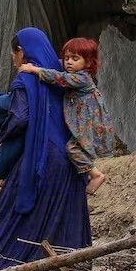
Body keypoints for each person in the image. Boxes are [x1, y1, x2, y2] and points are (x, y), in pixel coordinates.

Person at [0, 27, 92, 271]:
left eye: (14, 55)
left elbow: (22, 117)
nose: (14, 61)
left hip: (43, 155)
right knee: (63, 216)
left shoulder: (26, 78)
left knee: (16, 211)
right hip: (71, 157)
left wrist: (3, 130)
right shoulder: (59, 76)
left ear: (21, 52)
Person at [18, 35, 118, 193]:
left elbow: (59, 78)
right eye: (67, 58)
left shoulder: (81, 78)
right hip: (83, 119)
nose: (69, 62)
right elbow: (57, 66)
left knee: (73, 148)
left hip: (87, 120)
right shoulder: (77, 73)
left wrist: (34, 69)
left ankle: (95, 174)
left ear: (88, 62)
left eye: (75, 58)